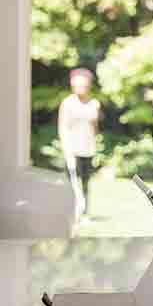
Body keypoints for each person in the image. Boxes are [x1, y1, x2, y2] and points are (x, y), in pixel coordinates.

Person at [58, 68, 101, 219]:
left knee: (85, 183)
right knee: (72, 183)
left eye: (82, 85)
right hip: (72, 149)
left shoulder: (94, 104)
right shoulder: (68, 103)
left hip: (88, 149)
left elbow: (95, 129)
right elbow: (63, 127)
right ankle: (71, 213)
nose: (79, 88)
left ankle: (84, 213)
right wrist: (66, 150)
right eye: (76, 85)